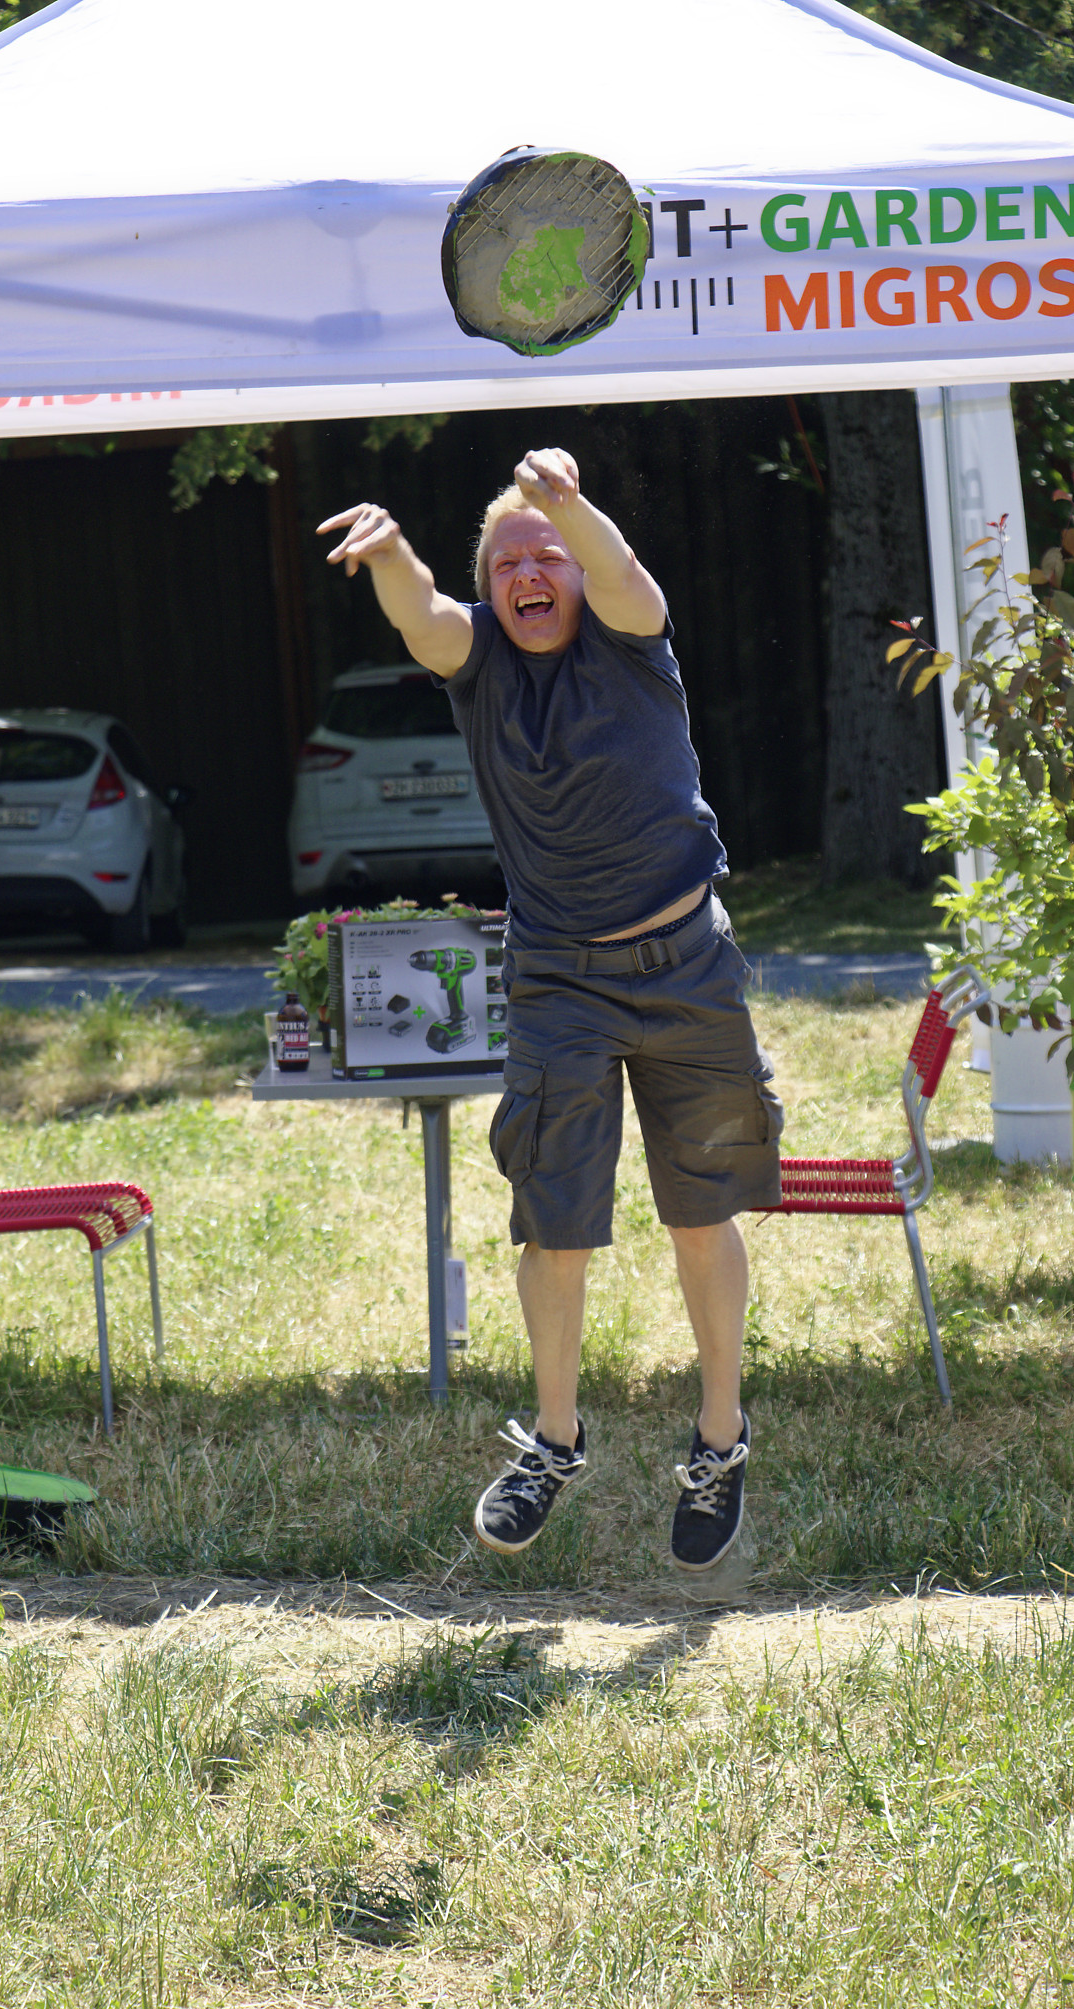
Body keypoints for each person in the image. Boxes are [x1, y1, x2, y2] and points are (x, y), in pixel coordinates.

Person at [317, 449, 782, 1573]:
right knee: (554, 1218)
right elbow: (424, 616)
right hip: (558, 980)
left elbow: (623, 577)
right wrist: (392, 552)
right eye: (506, 562)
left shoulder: (630, 637)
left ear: (576, 567)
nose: (529, 572)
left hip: (687, 966)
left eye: (547, 557)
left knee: (700, 1212)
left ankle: (720, 1437)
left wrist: (567, 508)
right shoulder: (477, 658)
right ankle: (556, 1441)